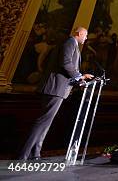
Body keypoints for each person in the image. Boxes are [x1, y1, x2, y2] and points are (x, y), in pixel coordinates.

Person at [18, 27, 93, 160]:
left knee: (46, 122)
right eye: (85, 35)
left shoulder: (71, 44)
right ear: (79, 33)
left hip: (58, 89)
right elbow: (65, 63)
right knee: (43, 121)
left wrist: (79, 78)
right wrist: (79, 76)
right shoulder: (70, 43)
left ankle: (35, 154)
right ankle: (23, 155)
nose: (86, 38)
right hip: (55, 89)